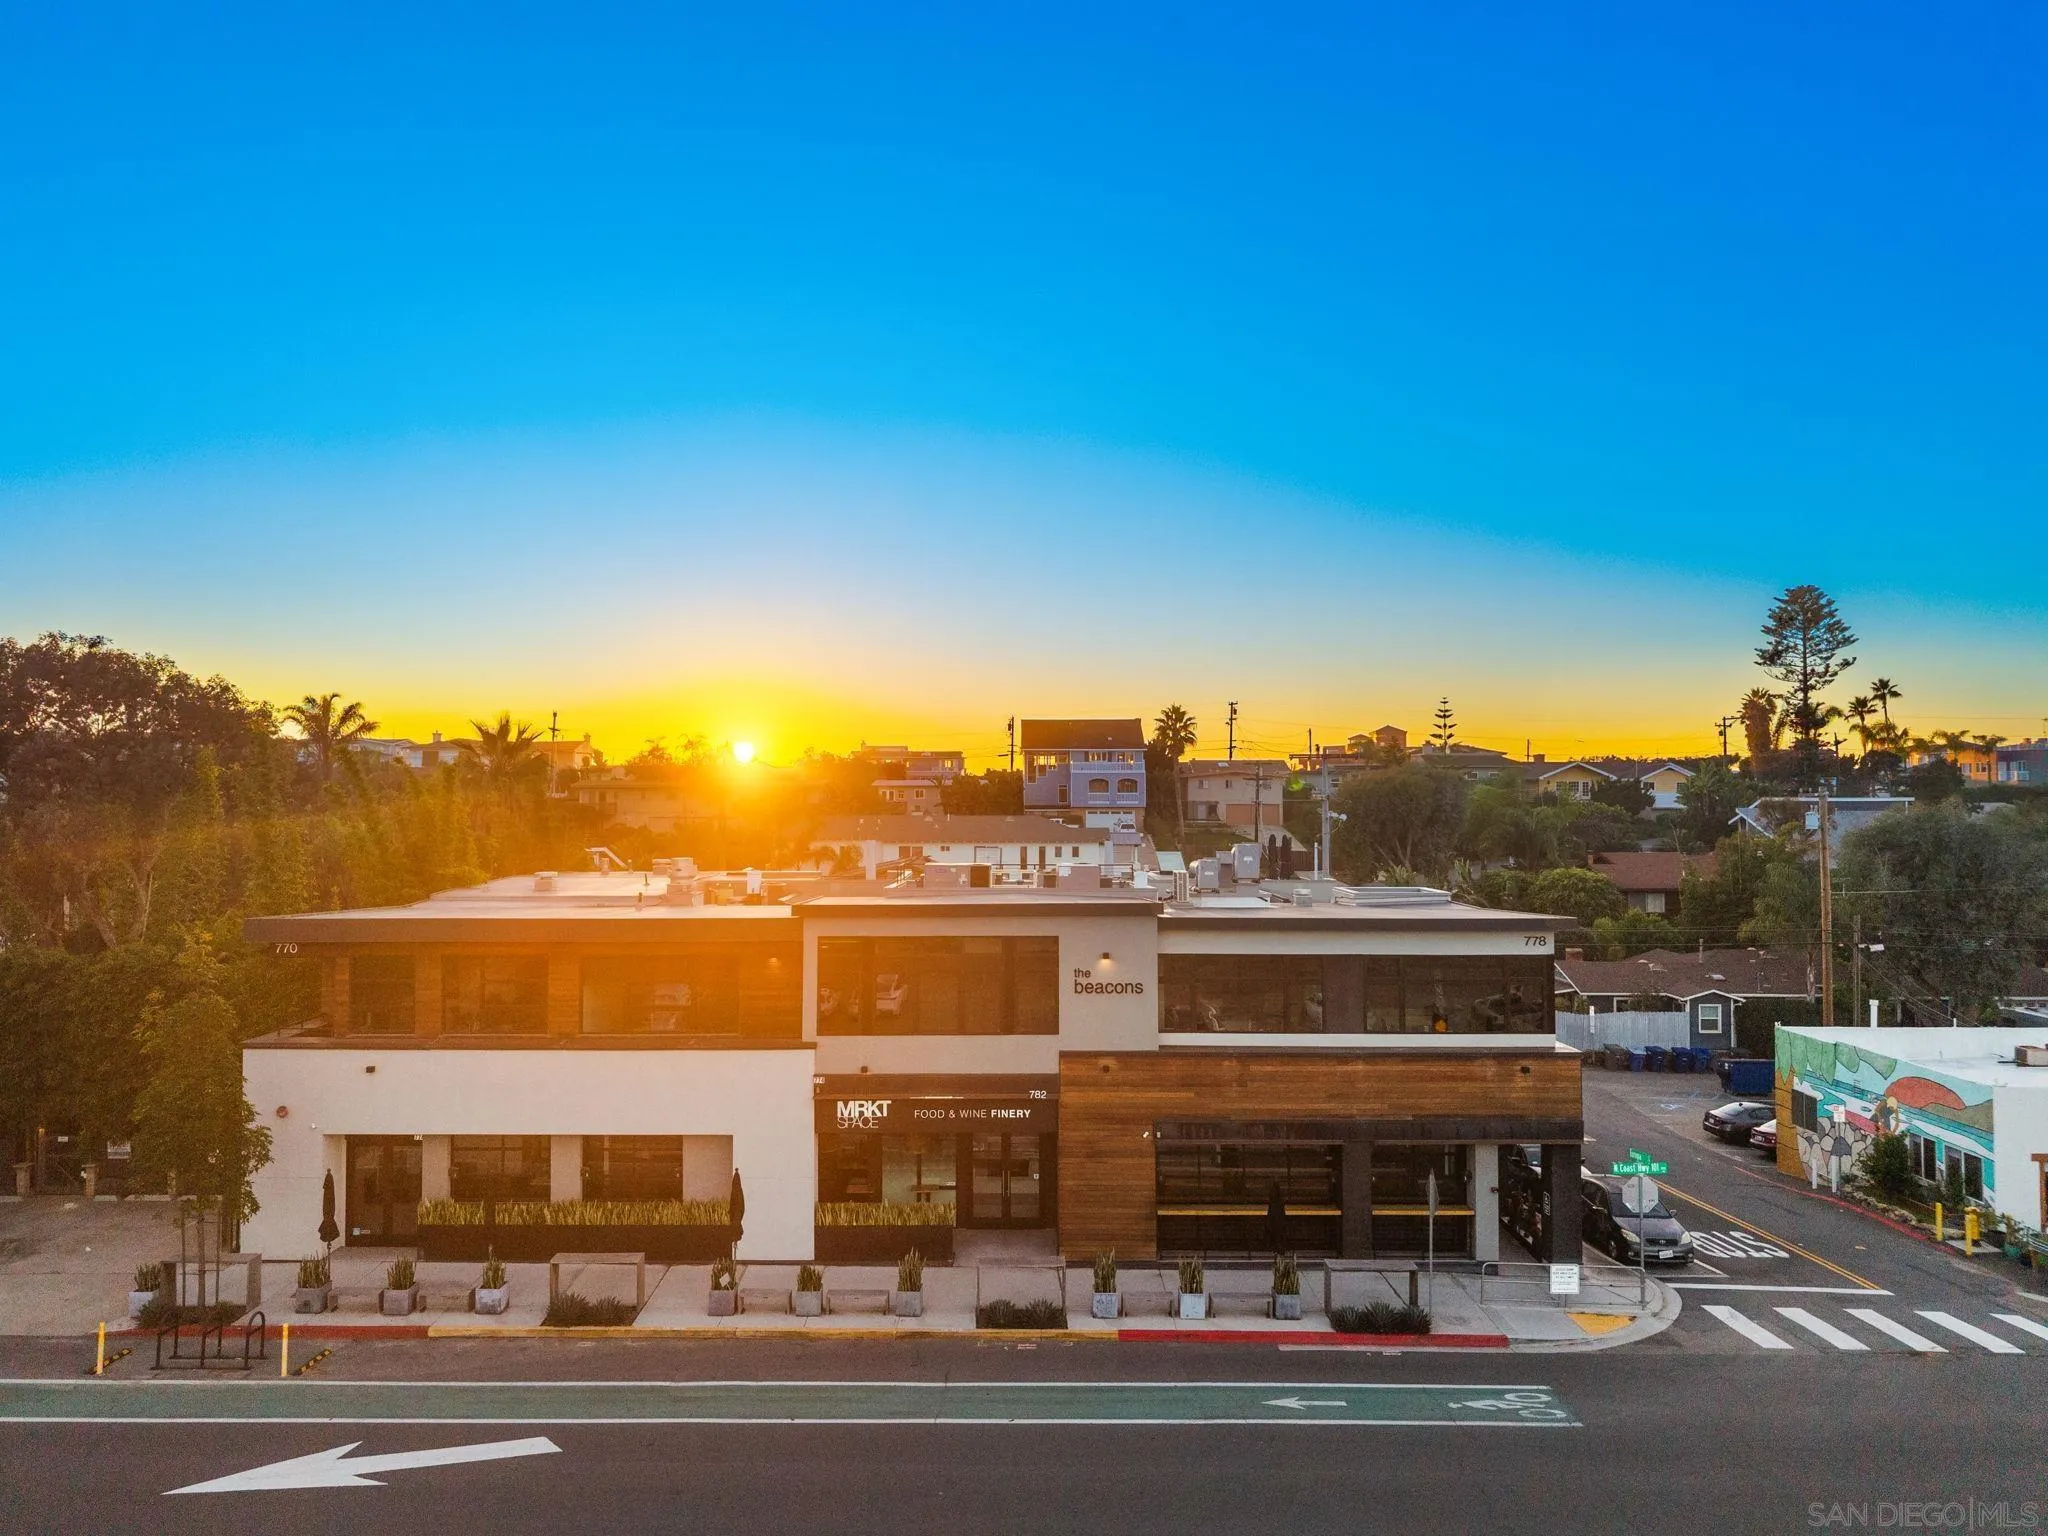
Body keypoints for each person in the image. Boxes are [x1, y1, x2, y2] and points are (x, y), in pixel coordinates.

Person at [1265, 1180, 1287, 1254]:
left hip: (1276, 1218)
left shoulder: (1275, 1201)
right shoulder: (1279, 1201)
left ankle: (1275, 1246)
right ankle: (1277, 1246)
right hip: (1277, 1219)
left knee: (1276, 1231)